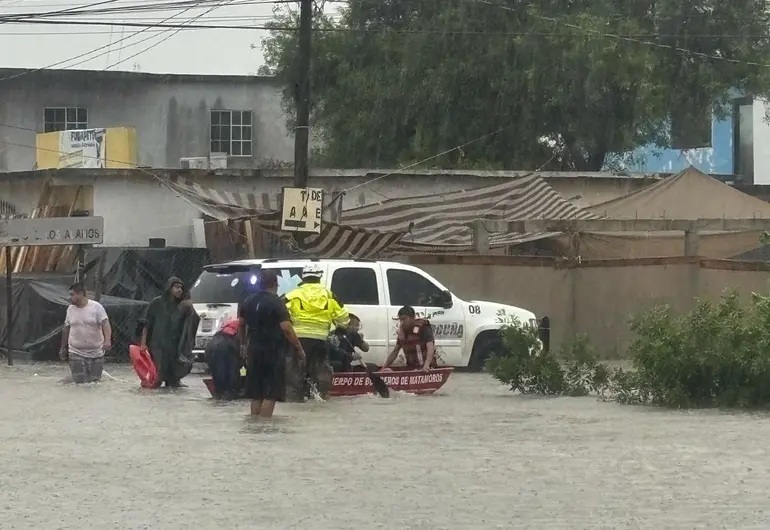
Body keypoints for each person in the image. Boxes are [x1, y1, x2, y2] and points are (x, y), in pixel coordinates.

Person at [238, 269, 305, 418]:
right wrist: (299, 348)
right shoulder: (277, 302)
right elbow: (286, 328)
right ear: (275, 284)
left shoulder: (248, 301)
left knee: (256, 393)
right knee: (270, 393)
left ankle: (254, 425)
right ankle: (265, 428)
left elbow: (241, 324)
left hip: (253, 351)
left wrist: (243, 344)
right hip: (273, 351)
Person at [284, 264, 349, 399]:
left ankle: (296, 400)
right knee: (321, 372)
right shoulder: (329, 295)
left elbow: (280, 312)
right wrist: (339, 329)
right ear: (319, 277)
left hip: (299, 339)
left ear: (303, 277)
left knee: (295, 373)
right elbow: (344, 317)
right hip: (320, 339)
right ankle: (321, 397)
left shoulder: (293, 294)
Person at [141, 276, 200, 388]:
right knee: (157, 377)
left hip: (173, 345)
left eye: (181, 288)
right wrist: (143, 343)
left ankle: (174, 382)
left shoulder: (181, 306)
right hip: (157, 344)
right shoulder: (157, 303)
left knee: (173, 376)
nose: (179, 290)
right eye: (177, 287)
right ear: (169, 288)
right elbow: (146, 323)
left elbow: (191, 322)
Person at [59, 283, 111, 384]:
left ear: (81, 294)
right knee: (80, 383)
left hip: (97, 352)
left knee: (95, 383)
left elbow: (106, 323)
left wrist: (107, 340)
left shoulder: (96, 307)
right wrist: (63, 347)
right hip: (76, 352)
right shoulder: (70, 310)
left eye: (72, 294)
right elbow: (66, 328)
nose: (70, 298)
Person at [380, 305, 437, 371]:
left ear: (412, 317)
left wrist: (426, 366)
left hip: (427, 367)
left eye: (404, 319)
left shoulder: (424, 328)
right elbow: (395, 351)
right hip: (412, 368)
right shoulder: (402, 332)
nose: (402, 322)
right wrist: (383, 368)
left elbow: (430, 347)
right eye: (400, 319)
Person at [204, 317, 243, 400]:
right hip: (225, 345)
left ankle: (219, 394)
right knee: (230, 373)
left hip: (211, 346)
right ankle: (228, 394)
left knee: (218, 374)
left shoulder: (229, 322)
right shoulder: (244, 324)